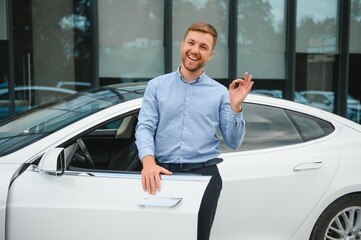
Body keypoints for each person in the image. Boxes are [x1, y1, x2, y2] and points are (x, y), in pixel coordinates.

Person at [135, 22, 254, 240]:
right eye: (191, 43)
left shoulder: (220, 93)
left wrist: (236, 108)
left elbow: (234, 141)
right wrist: (148, 162)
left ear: (210, 55)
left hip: (204, 177)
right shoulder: (156, 86)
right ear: (182, 45)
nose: (195, 50)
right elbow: (145, 126)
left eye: (203, 47)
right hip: (163, 175)